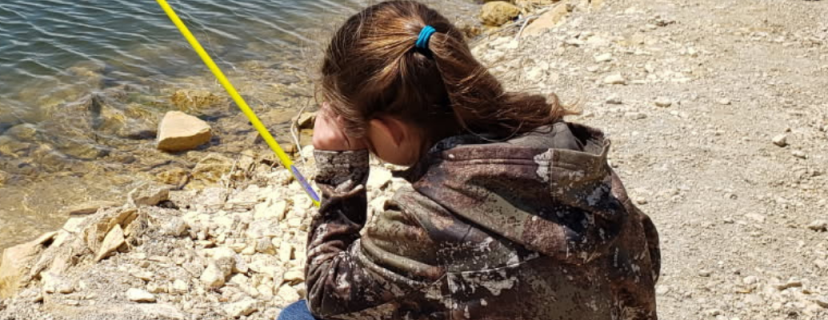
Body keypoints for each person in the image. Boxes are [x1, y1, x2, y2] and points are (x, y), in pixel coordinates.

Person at [278, 1, 661, 319]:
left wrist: (341, 178)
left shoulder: (424, 221)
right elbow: (649, 253)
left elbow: (325, 294)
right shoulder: (571, 151)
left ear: (391, 131)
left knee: (297, 315)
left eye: (359, 131)